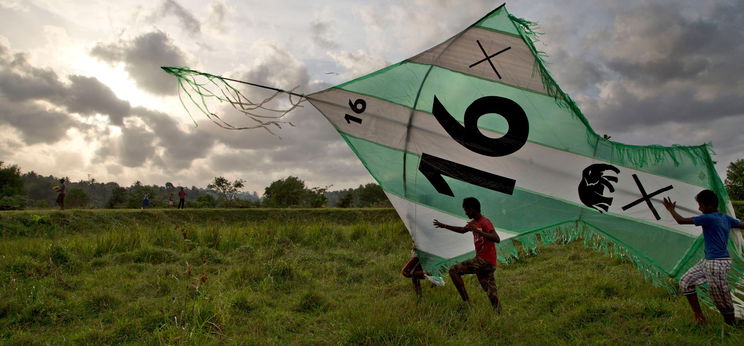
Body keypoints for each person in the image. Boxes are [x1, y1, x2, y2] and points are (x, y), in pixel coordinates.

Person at [663, 190, 742, 326]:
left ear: (709, 206)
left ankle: (731, 324)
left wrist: (671, 209)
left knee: (719, 295)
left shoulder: (708, 218)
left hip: (717, 262)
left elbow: (680, 221)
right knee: (686, 282)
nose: (699, 208)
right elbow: (741, 224)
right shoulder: (725, 218)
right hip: (708, 261)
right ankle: (699, 317)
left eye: (701, 205)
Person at [433, 197, 501, 311]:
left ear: (473, 209)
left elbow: (496, 238)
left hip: (484, 261)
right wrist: (444, 225)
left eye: (466, 210)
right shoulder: (473, 222)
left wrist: (479, 231)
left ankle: (467, 303)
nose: (465, 213)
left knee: (453, 270)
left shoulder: (484, 222)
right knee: (491, 292)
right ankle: (499, 314)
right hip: (486, 263)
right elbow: (462, 230)